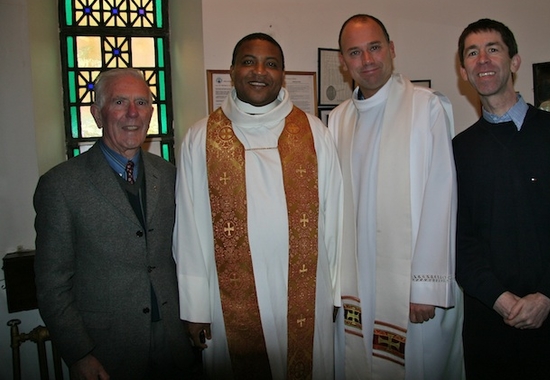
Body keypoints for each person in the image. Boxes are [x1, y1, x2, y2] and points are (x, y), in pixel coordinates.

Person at [172, 32, 343, 379]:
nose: (259, 71)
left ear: (283, 75)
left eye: (271, 64)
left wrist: (338, 293)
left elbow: (337, 217)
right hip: (226, 301)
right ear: (232, 70)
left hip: (308, 295)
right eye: (249, 61)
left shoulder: (314, 132)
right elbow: (188, 227)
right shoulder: (201, 137)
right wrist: (194, 306)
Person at [454, 18, 550, 379]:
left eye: (493, 49)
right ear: (463, 71)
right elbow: (460, 243)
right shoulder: (458, 150)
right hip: (488, 327)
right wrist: (501, 300)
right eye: (472, 53)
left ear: (514, 61)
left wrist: (545, 297)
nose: (483, 59)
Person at [34, 68, 194, 380]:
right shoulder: (61, 185)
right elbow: (52, 285)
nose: (133, 113)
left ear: (152, 112)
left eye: (142, 102)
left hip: (174, 341)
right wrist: (79, 354)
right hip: (107, 349)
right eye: (120, 102)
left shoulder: (170, 174)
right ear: (97, 113)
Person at [329, 14, 464, 379]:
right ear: (342, 62)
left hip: (409, 284)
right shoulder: (338, 119)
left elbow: (441, 197)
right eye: (355, 52)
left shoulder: (427, 107)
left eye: (375, 47)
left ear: (392, 49)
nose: (367, 60)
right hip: (359, 280)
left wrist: (426, 286)